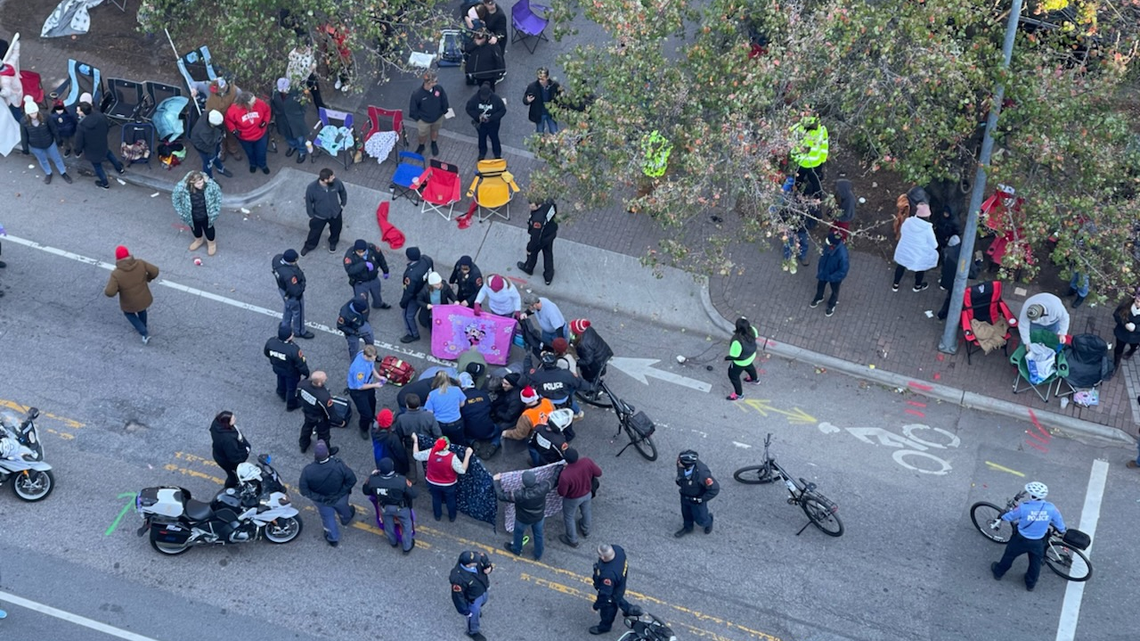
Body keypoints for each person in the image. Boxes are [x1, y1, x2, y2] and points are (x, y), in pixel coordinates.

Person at [991, 482, 1065, 591]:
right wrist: (1062, 530)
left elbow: (1010, 516)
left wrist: (1002, 517)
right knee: (1035, 562)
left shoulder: (1023, 507)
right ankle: (1030, 584)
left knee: (1009, 556)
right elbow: (1060, 524)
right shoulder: (1051, 508)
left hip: (1021, 539)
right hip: (1039, 541)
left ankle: (998, 572)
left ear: (1032, 496)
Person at [298, 440, 357, 547]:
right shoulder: (339, 465)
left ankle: (333, 538)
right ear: (328, 453)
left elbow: (304, 490)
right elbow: (352, 480)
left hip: (322, 501)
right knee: (344, 509)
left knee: (328, 518)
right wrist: (339, 495)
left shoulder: (308, 470)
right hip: (340, 497)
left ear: (315, 455)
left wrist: (320, 498)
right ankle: (345, 519)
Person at [104, 246, 159, 344]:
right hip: (143, 296)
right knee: (142, 309)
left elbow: (109, 292)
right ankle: (144, 325)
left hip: (129, 302)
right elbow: (155, 271)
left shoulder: (116, 274)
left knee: (129, 313)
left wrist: (118, 289)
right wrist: (148, 278)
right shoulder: (141, 263)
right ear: (129, 255)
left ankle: (144, 332)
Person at [362, 457, 418, 554]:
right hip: (401, 508)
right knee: (406, 526)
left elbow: (365, 491)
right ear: (392, 468)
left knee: (388, 525)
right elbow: (414, 493)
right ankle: (407, 547)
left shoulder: (373, 480)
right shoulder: (400, 480)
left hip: (384, 507)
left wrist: (371, 476)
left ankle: (393, 542)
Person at [495, 469, 554, 561]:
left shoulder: (519, 494)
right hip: (538, 517)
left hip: (523, 519)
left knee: (518, 533)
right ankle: (538, 554)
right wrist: (560, 467)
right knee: (538, 534)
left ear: (523, 482)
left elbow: (501, 496)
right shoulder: (543, 487)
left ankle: (517, 549)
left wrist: (496, 481)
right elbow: (554, 479)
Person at [413, 435, 473, 522]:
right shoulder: (452, 457)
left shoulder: (430, 452)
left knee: (436, 498)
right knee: (450, 500)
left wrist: (415, 441)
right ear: (447, 446)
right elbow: (462, 470)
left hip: (432, 482)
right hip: (449, 484)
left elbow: (416, 456)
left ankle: (437, 516)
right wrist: (467, 455)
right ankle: (452, 517)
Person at [19, 97, 71, 185]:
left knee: (57, 158)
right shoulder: (23, 121)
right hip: (35, 145)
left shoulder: (46, 117)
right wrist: (25, 148)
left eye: (35, 112)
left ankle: (63, 172)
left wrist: (58, 139)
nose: (34, 115)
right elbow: (24, 135)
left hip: (49, 142)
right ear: (27, 113)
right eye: (31, 113)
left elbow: (53, 129)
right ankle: (48, 173)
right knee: (42, 160)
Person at [74, 100, 125, 190]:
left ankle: (105, 183)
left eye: (78, 110)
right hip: (102, 142)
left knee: (97, 166)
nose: (77, 112)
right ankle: (119, 169)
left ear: (83, 112)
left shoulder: (81, 126)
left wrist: (78, 151)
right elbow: (106, 126)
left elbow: (79, 141)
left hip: (91, 148)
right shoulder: (100, 116)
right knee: (108, 154)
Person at [557, 448, 601, 549]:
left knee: (569, 517)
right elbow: (598, 473)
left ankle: (572, 539)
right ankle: (586, 530)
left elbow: (561, 492)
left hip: (572, 498)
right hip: (587, 493)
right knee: (586, 511)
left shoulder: (565, 475)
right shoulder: (586, 462)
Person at [394, 393, 441, 483]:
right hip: (426, 443)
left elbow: (399, 435)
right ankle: (430, 478)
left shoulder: (401, 418)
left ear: (407, 405)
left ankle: (412, 479)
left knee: (411, 462)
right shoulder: (429, 416)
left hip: (410, 443)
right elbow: (437, 433)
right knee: (428, 462)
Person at [172, 170, 222, 256]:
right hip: (192, 216)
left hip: (207, 215)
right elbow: (175, 199)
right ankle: (199, 240)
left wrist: (216, 209)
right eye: (198, 183)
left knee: (209, 230)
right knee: (196, 229)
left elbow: (218, 194)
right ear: (192, 183)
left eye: (202, 182)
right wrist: (181, 212)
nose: (201, 185)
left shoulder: (209, 185)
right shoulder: (182, 188)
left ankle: (211, 244)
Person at [892, 202, 938, 292]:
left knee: (900, 266)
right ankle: (917, 286)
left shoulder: (908, 221)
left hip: (904, 250)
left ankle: (895, 285)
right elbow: (934, 245)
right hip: (918, 254)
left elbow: (903, 231)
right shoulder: (927, 229)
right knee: (921, 268)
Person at [591, 543, 635, 635]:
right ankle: (628, 609)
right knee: (618, 598)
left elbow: (605, 595)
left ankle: (605, 627)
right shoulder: (618, 550)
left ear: (603, 557)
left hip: (612, 592)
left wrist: (596, 606)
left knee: (608, 611)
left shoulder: (608, 575)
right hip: (620, 586)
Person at [450, 551, 494, 641]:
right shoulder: (458, 578)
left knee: (483, 601)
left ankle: (477, 612)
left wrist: (488, 567)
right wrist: (465, 611)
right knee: (473, 615)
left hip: (482, 590)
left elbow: (485, 559)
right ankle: (473, 632)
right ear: (468, 565)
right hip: (473, 599)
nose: (478, 561)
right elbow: (458, 597)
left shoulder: (475, 558)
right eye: (475, 561)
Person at [674, 449, 719, 538]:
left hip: (697, 499)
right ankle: (688, 527)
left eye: (680, 462)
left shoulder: (702, 475)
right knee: (686, 514)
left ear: (687, 465)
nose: (678, 462)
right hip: (685, 495)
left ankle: (708, 521)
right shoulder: (682, 464)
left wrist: (701, 499)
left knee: (701, 519)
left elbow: (714, 489)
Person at [264, 324, 310, 411]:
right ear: (289, 337)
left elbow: (266, 353)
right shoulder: (293, 349)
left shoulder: (271, 342)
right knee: (292, 388)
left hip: (277, 368)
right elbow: (301, 364)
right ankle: (291, 405)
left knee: (280, 379)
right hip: (291, 372)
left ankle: (281, 393)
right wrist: (306, 373)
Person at [224, 91, 272, 174]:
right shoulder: (234, 110)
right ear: (245, 104)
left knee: (261, 152)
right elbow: (228, 120)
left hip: (260, 135)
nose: (255, 102)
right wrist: (233, 130)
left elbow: (267, 110)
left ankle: (263, 165)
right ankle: (253, 164)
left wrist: (265, 121)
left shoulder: (259, 103)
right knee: (250, 153)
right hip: (245, 137)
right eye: (253, 102)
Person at [302, 168, 347, 255]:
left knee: (336, 230)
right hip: (319, 215)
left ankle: (333, 242)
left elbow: (342, 192)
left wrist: (343, 203)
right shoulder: (312, 188)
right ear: (325, 180)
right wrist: (311, 214)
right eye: (331, 177)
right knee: (314, 232)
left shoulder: (336, 182)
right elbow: (308, 201)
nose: (334, 177)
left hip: (335, 213)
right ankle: (309, 245)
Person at [936, 235, 982, 321]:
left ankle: (942, 314)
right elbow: (973, 274)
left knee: (949, 297)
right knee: (952, 298)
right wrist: (978, 262)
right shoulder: (962, 259)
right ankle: (951, 314)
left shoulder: (946, 251)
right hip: (956, 282)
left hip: (946, 278)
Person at [272, 249, 315, 339]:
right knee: (298, 312)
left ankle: (285, 325)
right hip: (292, 295)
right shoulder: (289, 275)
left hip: (283, 290)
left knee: (288, 308)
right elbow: (296, 291)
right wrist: (302, 284)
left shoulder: (276, 260)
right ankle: (299, 331)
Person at [298, 371, 343, 454]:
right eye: (324, 379)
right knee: (323, 436)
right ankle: (326, 452)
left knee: (306, 429)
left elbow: (298, 396)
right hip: (319, 419)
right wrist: (341, 422)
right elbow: (330, 414)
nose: (326, 379)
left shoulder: (302, 385)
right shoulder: (324, 397)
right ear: (319, 383)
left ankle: (303, 445)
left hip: (307, 413)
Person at [200, 77, 243, 161]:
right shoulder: (208, 87)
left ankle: (233, 149)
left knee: (231, 134)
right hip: (214, 118)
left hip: (229, 117)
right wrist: (194, 90)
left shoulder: (235, 90)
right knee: (218, 135)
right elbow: (195, 84)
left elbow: (240, 99)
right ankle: (222, 151)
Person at [347, 344, 386, 439]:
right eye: (373, 358)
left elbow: (371, 367)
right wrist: (375, 385)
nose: (374, 360)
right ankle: (363, 428)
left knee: (372, 402)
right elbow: (359, 386)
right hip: (358, 391)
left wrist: (378, 377)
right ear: (366, 356)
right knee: (365, 413)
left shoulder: (363, 354)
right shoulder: (359, 369)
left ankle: (372, 417)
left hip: (368, 385)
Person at [517, 200, 559, 285]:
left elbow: (535, 237)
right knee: (548, 253)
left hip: (541, 238)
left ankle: (528, 268)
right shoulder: (549, 203)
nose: (530, 208)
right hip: (550, 233)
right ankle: (548, 276)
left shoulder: (538, 219)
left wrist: (529, 248)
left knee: (533, 253)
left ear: (539, 205)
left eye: (532, 206)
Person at [409, 72, 449, 158]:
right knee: (422, 135)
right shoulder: (417, 94)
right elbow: (413, 109)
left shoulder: (439, 89)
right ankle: (421, 145)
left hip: (438, 117)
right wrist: (418, 119)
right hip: (424, 120)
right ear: (428, 83)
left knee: (435, 130)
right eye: (435, 81)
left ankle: (433, 143)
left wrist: (445, 111)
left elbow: (444, 101)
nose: (437, 82)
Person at [400, 247, 435, 343]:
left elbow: (409, 292)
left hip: (416, 296)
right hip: (428, 290)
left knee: (407, 315)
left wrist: (403, 302)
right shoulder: (427, 259)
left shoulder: (411, 274)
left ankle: (413, 334)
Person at [270, 77, 309, 164]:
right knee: (287, 134)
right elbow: (272, 103)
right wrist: (277, 112)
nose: (283, 91)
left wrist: (301, 114)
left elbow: (304, 103)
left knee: (299, 136)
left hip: (295, 118)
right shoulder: (274, 92)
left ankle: (302, 151)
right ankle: (292, 146)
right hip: (282, 118)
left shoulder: (296, 91)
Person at [810, 232, 849, 318]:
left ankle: (832, 305)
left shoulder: (842, 254)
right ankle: (819, 297)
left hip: (834, 276)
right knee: (820, 285)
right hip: (824, 271)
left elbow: (843, 270)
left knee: (834, 291)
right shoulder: (829, 245)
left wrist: (832, 277)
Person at [789, 115, 828, 199]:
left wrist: (794, 159)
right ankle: (817, 199)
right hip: (815, 163)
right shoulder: (822, 129)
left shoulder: (796, 129)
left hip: (800, 163)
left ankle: (795, 197)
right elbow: (824, 145)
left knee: (798, 181)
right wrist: (822, 159)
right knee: (816, 183)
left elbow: (791, 146)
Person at [209, 411, 251, 488]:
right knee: (233, 477)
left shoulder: (216, 424)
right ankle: (229, 488)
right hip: (226, 461)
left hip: (218, 453)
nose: (235, 419)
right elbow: (235, 458)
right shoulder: (229, 440)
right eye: (233, 419)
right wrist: (246, 452)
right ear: (227, 422)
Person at [459, 372, 499, 453]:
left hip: (471, 431)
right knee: (499, 430)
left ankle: (473, 442)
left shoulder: (460, 398)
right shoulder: (483, 394)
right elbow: (491, 409)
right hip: (489, 429)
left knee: (461, 432)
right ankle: (494, 445)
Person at [344, 239, 390, 309]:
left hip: (373, 277)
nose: (361, 254)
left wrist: (385, 271)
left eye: (363, 252)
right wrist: (363, 264)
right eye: (358, 252)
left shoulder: (372, 248)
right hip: (360, 281)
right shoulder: (350, 255)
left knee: (377, 294)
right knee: (362, 300)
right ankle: (364, 312)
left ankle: (378, 304)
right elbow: (350, 270)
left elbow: (381, 259)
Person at [465, 83, 506, 161]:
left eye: (486, 97)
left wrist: (491, 118)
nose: (484, 99)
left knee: (494, 138)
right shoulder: (474, 99)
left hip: (493, 124)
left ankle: (497, 154)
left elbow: (502, 110)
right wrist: (478, 116)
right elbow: (469, 109)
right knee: (482, 138)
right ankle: (482, 152)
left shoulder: (496, 99)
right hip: (481, 124)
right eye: (482, 97)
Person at [189, 109, 234, 179]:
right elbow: (210, 142)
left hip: (212, 144)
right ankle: (209, 178)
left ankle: (220, 168)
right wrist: (220, 134)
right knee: (208, 164)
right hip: (204, 148)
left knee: (215, 156)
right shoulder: (204, 131)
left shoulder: (209, 115)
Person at [426, 370, 467, 445]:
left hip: (441, 425)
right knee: (461, 442)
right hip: (457, 423)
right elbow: (462, 404)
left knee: (444, 444)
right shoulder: (457, 390)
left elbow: (430, 412)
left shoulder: (432, 394)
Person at [569, 319, 613, 384]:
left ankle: (592, 390)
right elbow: (573, 337)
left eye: (570, 327)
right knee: (600, 369)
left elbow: (587, 361)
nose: (568, 327)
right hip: (603, 351)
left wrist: (575, 362)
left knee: (589, 377)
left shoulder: (583, 344)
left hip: (597, 360)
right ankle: (601, 372)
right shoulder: (586, 330)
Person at [286, 41, 324, 110]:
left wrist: (314, 65)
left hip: (310, 76)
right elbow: (294, 73)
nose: (307, 49)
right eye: (304, 48)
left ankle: (322, 110)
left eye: (307, 47)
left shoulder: (308, 51)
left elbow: (313, 60)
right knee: (303, 98)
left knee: (317, 95)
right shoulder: (294, 57)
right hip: (301, 81)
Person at [524, 67, 562, 135]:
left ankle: (554, 144)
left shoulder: (554, 85)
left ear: (547, 77)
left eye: (542, 79)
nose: (540, 81)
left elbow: (561, 97)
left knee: (555, 132)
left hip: (551, 113)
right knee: (540, 132)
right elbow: (525, 99)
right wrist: (527, 100)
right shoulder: (532, 87)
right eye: (539, 79)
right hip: (539, 113)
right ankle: (541, 145)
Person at [1112, 294, 1140, 369]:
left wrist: (1136, 328)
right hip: (1122, 333)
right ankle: (1116, 362)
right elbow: (1116, 315)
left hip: (1136, 336)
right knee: (1118, 348)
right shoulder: (1126, 304)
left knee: (1134, 345)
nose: (1138, 304)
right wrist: (1124, 324)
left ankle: (1132, 350)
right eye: (1137, 301)